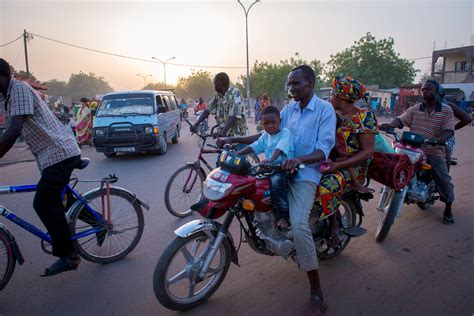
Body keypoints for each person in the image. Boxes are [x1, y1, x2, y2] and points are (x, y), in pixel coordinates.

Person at [217, 65, 336, 315]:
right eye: (289, 84)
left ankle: (317, 294)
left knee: (299, 223)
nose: (291, 87)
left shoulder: (324, 110)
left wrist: (298, 159)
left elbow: (323, 148)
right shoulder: (288, 109)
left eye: (296, 83)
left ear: (310, 83)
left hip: (305, 173)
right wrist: (233, 141)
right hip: (278, 171)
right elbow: (266, 134)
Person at [0, 58, 83, 276]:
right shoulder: (5, 97)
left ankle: (69, 256)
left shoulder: (18, 89)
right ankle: (96, 222)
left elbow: (14, 130)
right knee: (60, 198)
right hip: (48, 155)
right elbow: (6, 130)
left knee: (44, 202)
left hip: (59, 152)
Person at [380, 79, 456, 224]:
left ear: (437, 92)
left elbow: (449, 129)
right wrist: (391, 125)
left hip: (434, 151)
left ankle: (448, 207)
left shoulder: (446, 110)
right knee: (392, 163)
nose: (424, 92)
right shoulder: (416, 108)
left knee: (444, 180)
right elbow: (401, 119)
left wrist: (440, 139)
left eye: (428, 89)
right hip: (413, 149)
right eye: (423, 90)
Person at [236, 105, 295, 229]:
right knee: (250, 180)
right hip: (270, 167)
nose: (269, 126)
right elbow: (254, 146)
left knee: (277, 183)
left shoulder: (285, 133)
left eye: (273, 122)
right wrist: (236, 154)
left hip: (285, 168)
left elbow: (279, 148)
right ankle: (256, 219)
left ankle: (283, 216)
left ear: (280, 121)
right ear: (262, 124)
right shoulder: (265, 136)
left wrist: (271, 160)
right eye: (266, 123)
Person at [192, 73, 248, 138]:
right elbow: (208, 110)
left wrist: (222, 133)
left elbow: (232, 116)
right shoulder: (218, 95)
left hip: (237, 136)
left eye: (215, 84)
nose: (214, 86)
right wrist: (196, 124)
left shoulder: (235, 93)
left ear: (220, 83)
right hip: (225, 136)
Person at [438, 86, 472, 167]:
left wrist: (451, 129)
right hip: (426, 134)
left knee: (446, 149)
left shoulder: (448, 105)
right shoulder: (422, 105)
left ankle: (445, 176)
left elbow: (467, 119)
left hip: (445, 137)